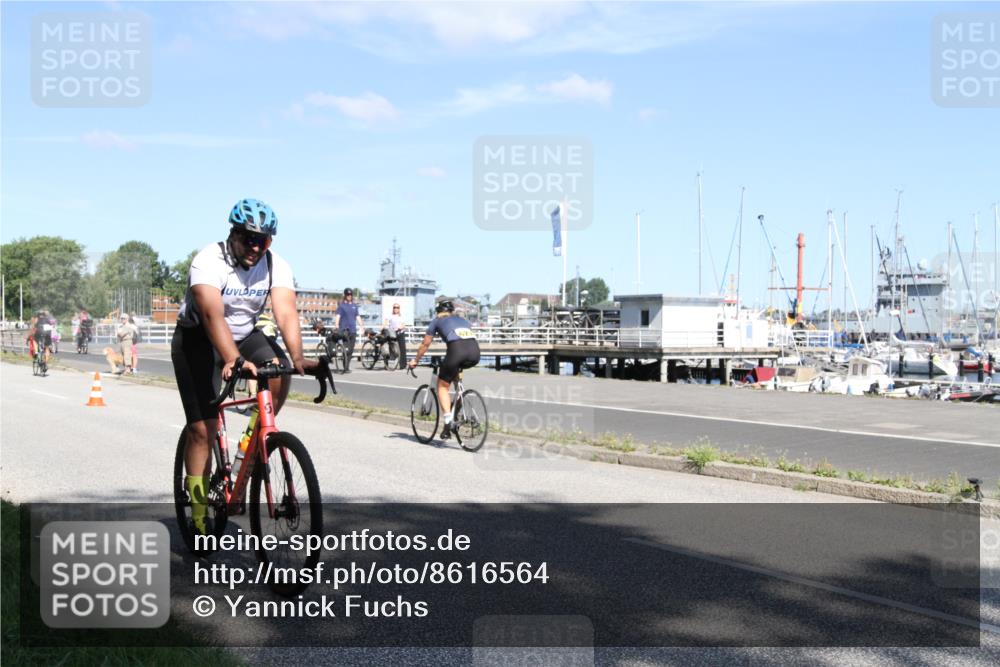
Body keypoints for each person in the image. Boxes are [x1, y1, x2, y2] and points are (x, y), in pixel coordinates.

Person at [171, 197, 305, 535]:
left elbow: (285, 312)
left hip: (245, 335)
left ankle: (251, 454)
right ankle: (199, 511)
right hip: (199, 339)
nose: (255, 247)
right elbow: (212, 314)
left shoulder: (275, 264)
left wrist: (300, 358)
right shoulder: (208, 261)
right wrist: (232, 359)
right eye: (248, 238)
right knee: (203, 429)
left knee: (279, 367)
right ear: (233, 234)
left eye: (263, 240)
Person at [408, 301, 481, 439]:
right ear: (451, 311)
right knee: (457, 384)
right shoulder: (461, 319)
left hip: (456, 351)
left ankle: (448, 423)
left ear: (438, 311)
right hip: (474, 353)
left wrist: (416, 360)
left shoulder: (437, 321)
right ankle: (456, 413)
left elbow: (425, 344)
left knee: (442, 386)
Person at [334, 288, 363, 373]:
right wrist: (336, 325)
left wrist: (362, 326)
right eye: (347, 295)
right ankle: (345, 367)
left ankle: (347, 365)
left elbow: (357, 316)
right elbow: (338, 316)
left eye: (350, 295)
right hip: (344, 330)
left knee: (351, 350)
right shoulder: (341, 306)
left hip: (353, 330)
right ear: (345, 296)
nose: (349, 296)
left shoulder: (354, 306)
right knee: (347, 349)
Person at [386, 302, 407, 369]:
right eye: (394, 307)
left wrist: (400, 327)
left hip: (400, 333)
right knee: (391, 348)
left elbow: (403, 325)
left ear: (399, 309)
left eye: (397, 307)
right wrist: (383, 326)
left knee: (402, 349)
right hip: (393, 333)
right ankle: (389, 363)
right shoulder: (390, 316)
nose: (396, 309)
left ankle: (402, 365)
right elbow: (386, 321)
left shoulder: (401, 316)